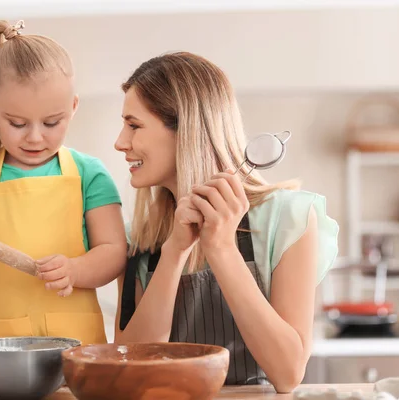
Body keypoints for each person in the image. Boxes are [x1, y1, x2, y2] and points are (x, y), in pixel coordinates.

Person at [114, 52, 338, 393]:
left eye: (134, 125)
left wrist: (220, 246)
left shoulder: (289, 219)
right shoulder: (140, 239)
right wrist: (174, 251)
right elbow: (129, 369)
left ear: (186, 130)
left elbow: (288, 372)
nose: (120, 142)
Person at [0, 20, 127, 386]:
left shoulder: (90, 174)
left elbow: (115, 252)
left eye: (53, 122)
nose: (36, 137)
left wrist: (76, 270)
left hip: (77, 358)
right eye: (17, 123)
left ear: (73, 106)